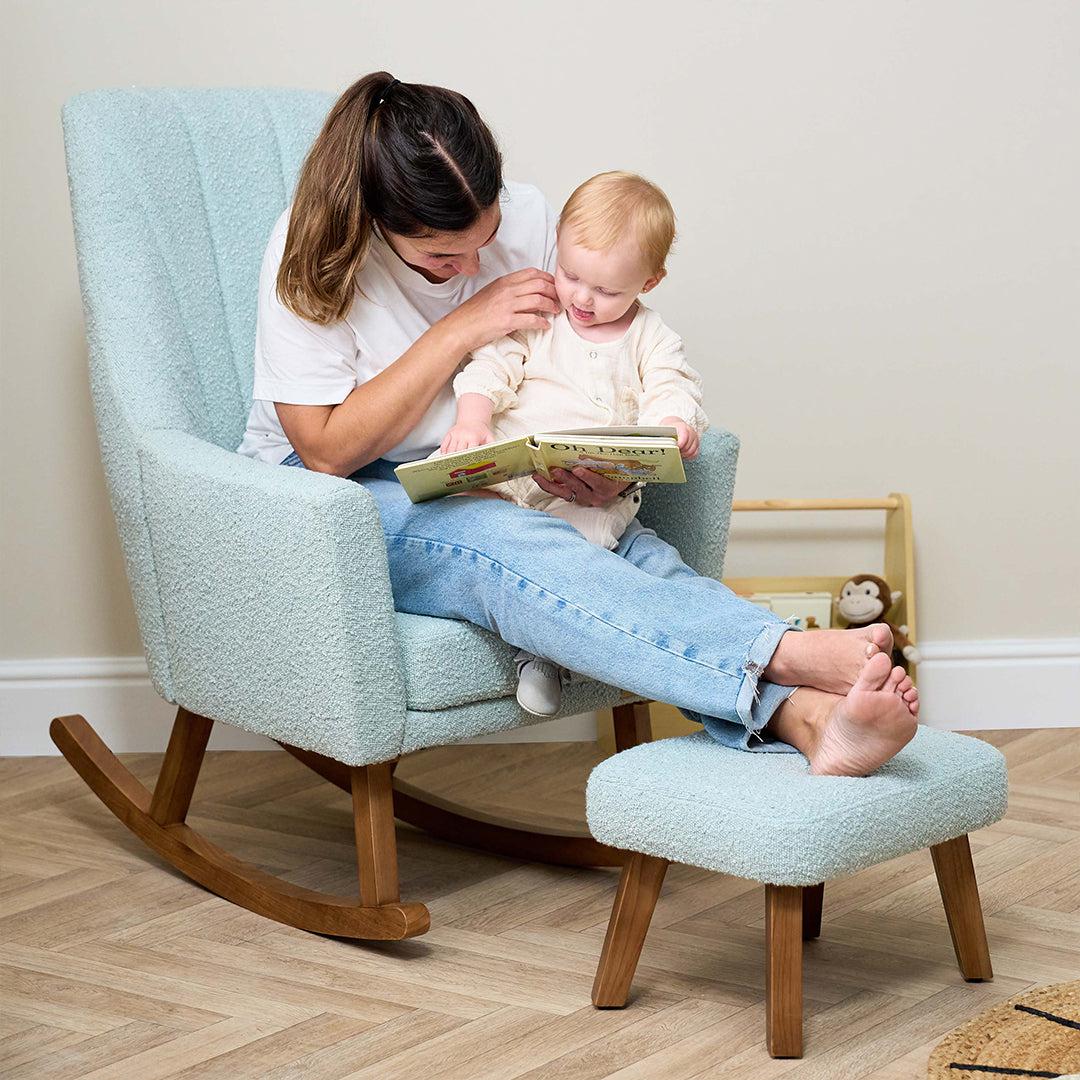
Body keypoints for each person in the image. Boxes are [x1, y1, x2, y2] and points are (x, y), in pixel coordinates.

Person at [236, 71, 920, 777]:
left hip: (494, 471)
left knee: (626, 551)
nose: (474, 265)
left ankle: (810, 720)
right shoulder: (313, 251)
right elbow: (323, 452)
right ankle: (781, 649)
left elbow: (571, 365)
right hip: (333, 497)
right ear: (380, 223)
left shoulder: (533, 220)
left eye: (488, 238)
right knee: (501, 542)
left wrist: (593, 465)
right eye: (444, 258)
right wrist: (465, 325)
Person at [435, 171, 709, 716]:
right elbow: (490, 366)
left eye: (606, 290)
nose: (582, 297)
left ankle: (540, 653)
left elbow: (672, 383)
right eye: (571, 274)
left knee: (576, 549)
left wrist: (673, 423)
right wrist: (472, 419)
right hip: (510, 475)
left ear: (649, 283)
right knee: (470, 515)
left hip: (587, 493)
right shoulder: (541, 319)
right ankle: (535, 636)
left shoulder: (650, 336)